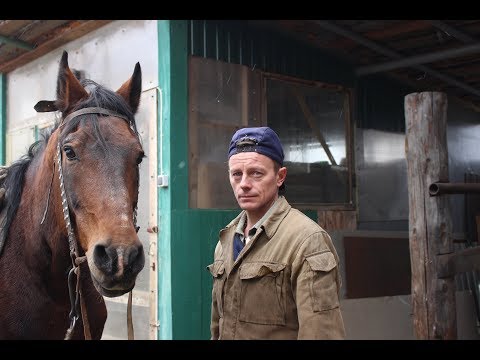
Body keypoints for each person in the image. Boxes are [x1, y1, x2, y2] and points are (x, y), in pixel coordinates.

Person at [208, 126, 346, 340]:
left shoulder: (307, 241)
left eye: (256, 173)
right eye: (237, 174)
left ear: (280, 177)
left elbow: (322, 334)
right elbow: (218, 327)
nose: (244, 184)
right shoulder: (226, 241)